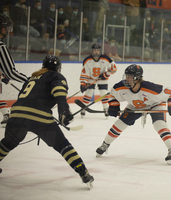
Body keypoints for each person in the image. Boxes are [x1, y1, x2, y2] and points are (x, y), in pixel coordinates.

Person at [0, 55, 94, 188]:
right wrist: (64, 112)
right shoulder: (56, 76)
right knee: (63, 145)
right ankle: (83, 173)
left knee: (8, 143)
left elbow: (24, 98)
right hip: (39, 117)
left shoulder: (32, 78)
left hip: (16, 114)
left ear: (43, 66)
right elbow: (59, 95)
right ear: (58, 68)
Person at [96, 64, 171, 164]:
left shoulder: (151, 88)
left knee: (159, 124)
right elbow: (112, 95)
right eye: (126, 76)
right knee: (119, 124)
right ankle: (105, 144)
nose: (127, 79)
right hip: (135, 106)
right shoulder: (120, 87)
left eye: (130, 77)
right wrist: (113, 105)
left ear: (137, 78)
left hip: (155, 105)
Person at [0, 13, 29, 127]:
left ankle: (6, 114)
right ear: (2, 29)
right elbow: (11, 72)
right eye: (7, 29)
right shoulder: (1, 47)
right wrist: (29, 80)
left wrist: (2, 76)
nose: (8, 31)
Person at [80, 43, 117, 118]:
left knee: (104, 93)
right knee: (89, 92)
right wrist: (83, 83)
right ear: (92, 51)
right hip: (91, 79)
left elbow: (114, 68)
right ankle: (83, 108)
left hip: (102, 79)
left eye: (97, 50)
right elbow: (85, 72)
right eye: (94, 50)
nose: (96, 52)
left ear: (100, 51)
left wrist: (106, 74)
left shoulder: (106, 58)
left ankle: (106, 108)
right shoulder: (87, 60)